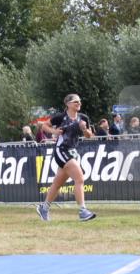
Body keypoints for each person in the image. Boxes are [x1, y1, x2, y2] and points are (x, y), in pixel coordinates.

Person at [36, 93, 96, 222]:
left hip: (73, 151)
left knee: (58, 183)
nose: (79, 104)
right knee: (79, 178)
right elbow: (45, 125)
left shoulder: (83, 118)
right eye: (76, 102)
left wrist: (84, 129)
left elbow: (89, 135)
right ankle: (83, 211)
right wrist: (54, 132)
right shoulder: (61, 117)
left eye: (80, 102)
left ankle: (44, 208)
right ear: (68, 104)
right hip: (61, 150)